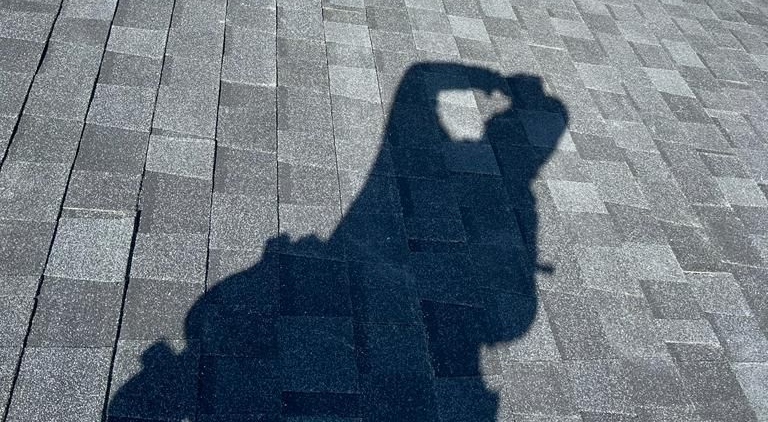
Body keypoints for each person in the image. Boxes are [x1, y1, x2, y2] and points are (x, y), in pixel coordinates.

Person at [109, 61, 568, 422]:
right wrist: (480, 78)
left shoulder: (208, 320)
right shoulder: (208, 316)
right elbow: (417, 85)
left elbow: (416, 86)